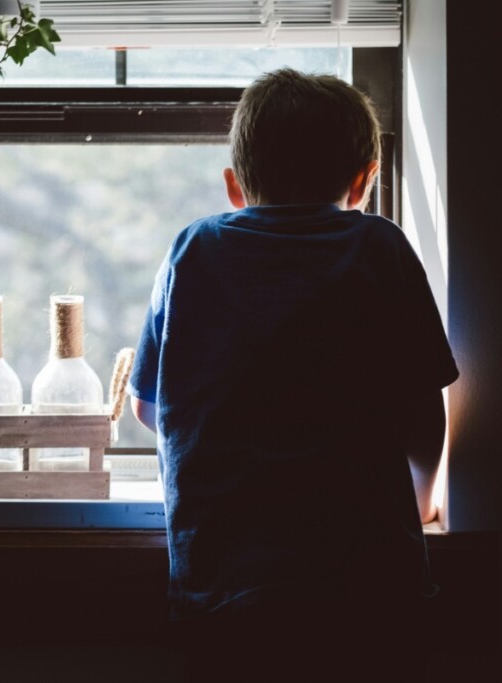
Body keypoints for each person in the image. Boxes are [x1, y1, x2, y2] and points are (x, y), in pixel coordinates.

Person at [129, 68, 458, 682]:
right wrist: (423, 500)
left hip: (223, 581)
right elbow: (422, 405)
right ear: (364, 182)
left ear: (234, 186)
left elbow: (149, 407)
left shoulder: (192, 249)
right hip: (368, 578)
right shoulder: (379, 246)